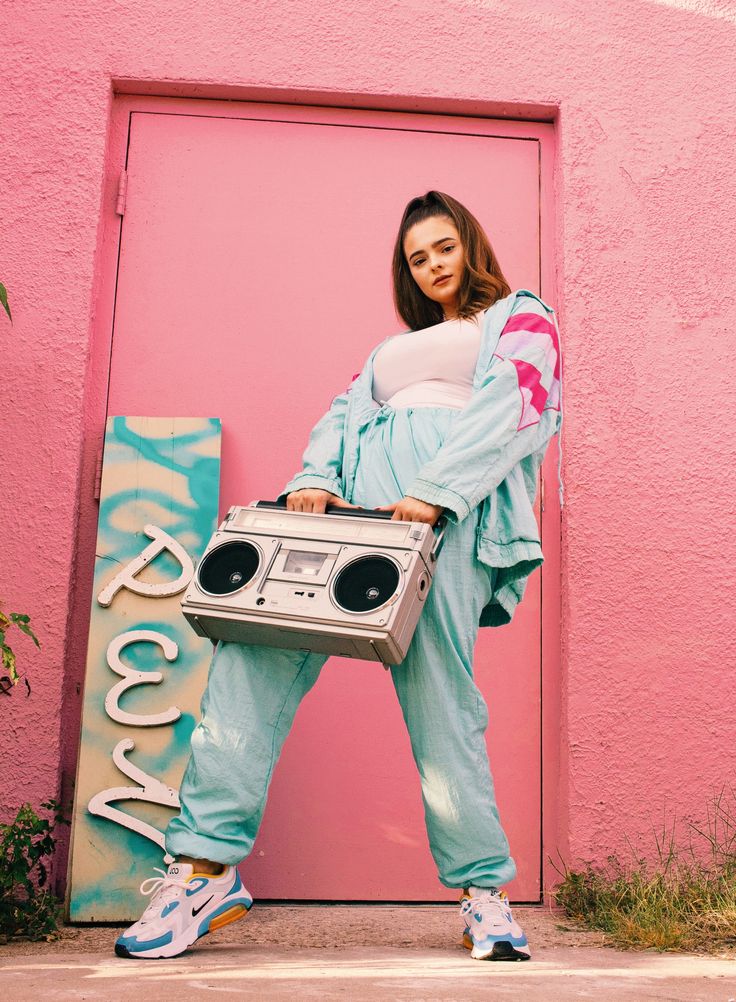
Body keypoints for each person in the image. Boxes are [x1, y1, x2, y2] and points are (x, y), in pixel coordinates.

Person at [114, 190, 563, 962]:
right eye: (417, 259)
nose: (432, 268)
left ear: (471, 245)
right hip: (348, 519)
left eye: (443, 249)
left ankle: (485, 894)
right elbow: (342, 413)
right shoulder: (388, 352)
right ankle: (201, 869)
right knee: (252, 657)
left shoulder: (518, 315)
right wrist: (311, 480)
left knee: (442, 701)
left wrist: (436, 493)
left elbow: (519, 405)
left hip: (437, 521)